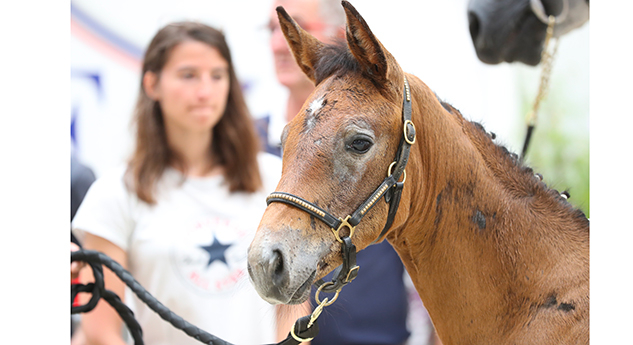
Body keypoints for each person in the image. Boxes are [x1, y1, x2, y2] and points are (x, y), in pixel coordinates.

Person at [72, 21, 305, 345]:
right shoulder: (115, 194)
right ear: (152, 84)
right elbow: (101, 333)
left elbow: (292, 308)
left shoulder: (275, 179)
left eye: (217, 75)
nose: (205, 91)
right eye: (188, 75)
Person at [255, 1, 433, 344]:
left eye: (296, 27)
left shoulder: (393, 145)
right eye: (272, 30)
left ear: (341, 40)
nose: (280, 43)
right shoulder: (248, 150)